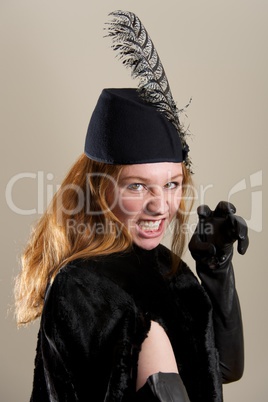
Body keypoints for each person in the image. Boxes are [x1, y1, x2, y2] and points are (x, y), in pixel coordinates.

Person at [14, 11, 249, 402]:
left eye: (172, 184)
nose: (160, 206)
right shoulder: (82, 287)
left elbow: (222, 369)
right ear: (99, 190)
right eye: (138, 186)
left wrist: (216, 272)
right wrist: (147, 336)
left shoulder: (171, 275)